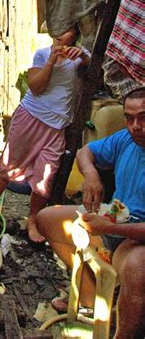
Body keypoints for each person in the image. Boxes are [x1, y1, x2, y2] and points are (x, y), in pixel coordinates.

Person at [36, 89, 145, 339]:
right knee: (46, 219)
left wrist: (109, 229)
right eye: (129, 118)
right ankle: (93, 301)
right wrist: (91, 175)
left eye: (143, 117)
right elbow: (86, 152)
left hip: (136, 239)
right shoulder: (126, 138)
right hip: (117, 218)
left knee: (137, 268)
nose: (136, 126)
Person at [0, 25, 90, 242]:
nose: (60, 35)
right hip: (30, 117)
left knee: (45, 175)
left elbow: (94, 71)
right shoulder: (42, 54)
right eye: (58, 28)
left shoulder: (79, 57)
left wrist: (83, 57)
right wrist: (51, 63)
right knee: (10, 162)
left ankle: (33, 220)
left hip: (57, 126)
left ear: (74, 35)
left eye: (66, 30)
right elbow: (35, 87)